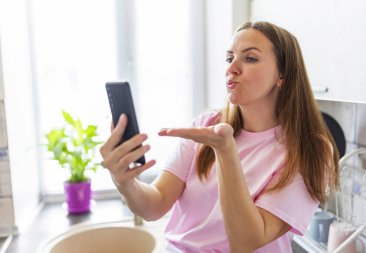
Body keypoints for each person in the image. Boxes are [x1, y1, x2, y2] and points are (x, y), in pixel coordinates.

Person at [100, 21, 340, 253]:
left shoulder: (311, 149)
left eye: (250, 58)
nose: (231, 68)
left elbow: (245, 242)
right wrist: (125, 183)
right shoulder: (207, 124)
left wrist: (225, 151)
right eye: (229, 58)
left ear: (282, 75)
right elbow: (154, 204)